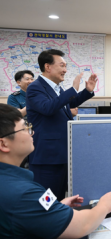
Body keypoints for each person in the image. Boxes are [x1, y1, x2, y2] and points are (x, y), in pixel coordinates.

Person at [0, 104, 111, 239]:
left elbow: (27, 211)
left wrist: (56, 206)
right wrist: (105, 205)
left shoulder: (14, 185)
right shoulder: (22, 193)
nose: (31, 132)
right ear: (3, 144)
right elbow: (83, 226)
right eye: (24, 128)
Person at [26, 49, 97, 201]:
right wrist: (73, 89)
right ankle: (44, 225)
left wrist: (87, 91)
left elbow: (66, 104)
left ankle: (57, 224)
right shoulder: (35, 87)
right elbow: (48, 108)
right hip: (47, 158)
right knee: (46, 201)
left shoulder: (56, 88)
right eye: (62, 65)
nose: (65, 70)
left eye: (65, 66)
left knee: (58, 199)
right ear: (48, 67)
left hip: (61, 155)